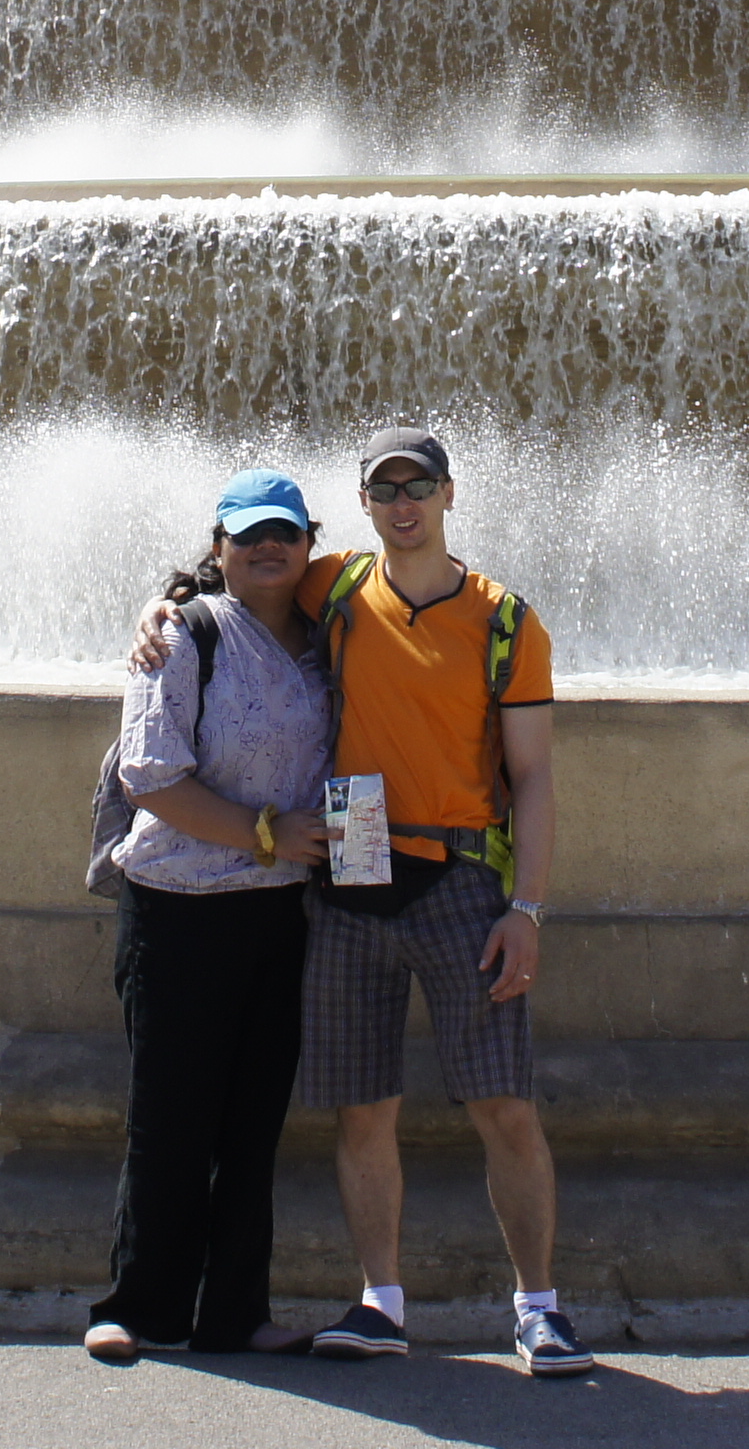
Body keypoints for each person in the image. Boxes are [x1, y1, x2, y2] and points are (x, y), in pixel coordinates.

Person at [298, 432, 581, 1377]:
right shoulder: (334, 585)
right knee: (362, 1109)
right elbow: (231, 580)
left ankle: (539, 1309)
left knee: (505, 1106)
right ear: (364, 503)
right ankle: (380, 1301)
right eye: (385, 489)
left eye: (418, 485)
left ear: (449, 493)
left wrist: (526, 909)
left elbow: (532, 777)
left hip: (461, 879)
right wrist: (158, 609)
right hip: (351, 868)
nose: (403, 503)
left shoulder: (504, 620)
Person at [83, 471, 336, 1365]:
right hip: (178, 908)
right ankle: (138, 1307)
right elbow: (149, 775)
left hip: (280, 913)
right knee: (169, 1119)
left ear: (309, 543)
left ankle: (236, 1313)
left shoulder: (330, 638)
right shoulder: (184, 635)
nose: (268, 547)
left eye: (284, 533)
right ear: (219, 546)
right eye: (248, 534)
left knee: (252, 1123)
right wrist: (267, 832)